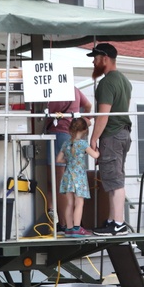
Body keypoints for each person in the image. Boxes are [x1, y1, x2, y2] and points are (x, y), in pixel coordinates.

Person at [88, 43, 133, 236]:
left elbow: (104, 115)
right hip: (124, 133)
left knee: (115, 181)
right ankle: (113, 220)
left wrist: (93, 138)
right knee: (116, 177)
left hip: (112, 135)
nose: (93, 61)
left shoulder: (107, 83)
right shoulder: (124, 80)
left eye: (96, 58)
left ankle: (117, 223)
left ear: (105, 58)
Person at [45, 87, 92, 234]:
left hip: (59, 133)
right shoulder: (74, 89)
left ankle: (65, 224)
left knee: (58, 181)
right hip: (70, 134)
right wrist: (83, 120)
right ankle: (72, 224)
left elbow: (47, 110)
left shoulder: (57, 91)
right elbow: (89, 106)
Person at [56, 118, 98, 237]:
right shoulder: (83, 144)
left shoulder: (66, 143)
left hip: (68, 174)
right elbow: (94, 155)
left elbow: (58, 160)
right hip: (79, 176)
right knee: (79, 203)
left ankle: (69, 229)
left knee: (69, 203)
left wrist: (69, 159)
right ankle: (77, 227)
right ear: (84, 130)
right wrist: (99, 152)